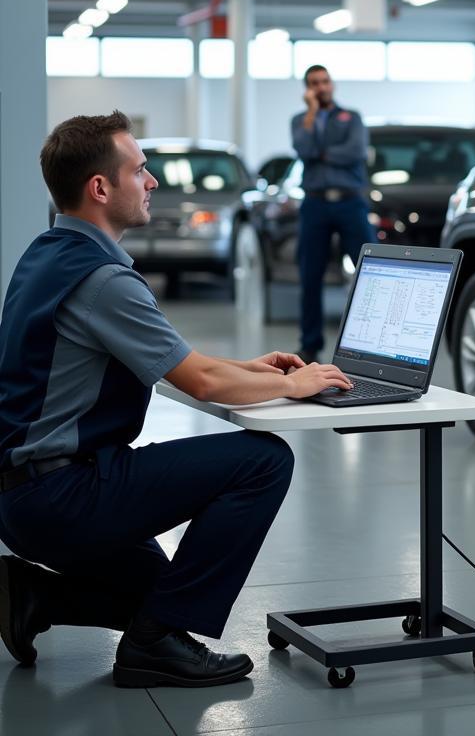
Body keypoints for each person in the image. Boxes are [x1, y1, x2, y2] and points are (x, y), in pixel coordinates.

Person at [0, 112, 352, 688]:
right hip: (61, 495)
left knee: (162, 592)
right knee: (265, 460)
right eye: (140, 170)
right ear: (100, 188)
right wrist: (292, 385)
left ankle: (35, 597)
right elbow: (203, 383)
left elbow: (172, 361)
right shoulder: (104, 281)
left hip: (23, 493)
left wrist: (251, 367)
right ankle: (155, 649)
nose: (152, 182)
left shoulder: (49, 254)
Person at [292, 64, 375, 364]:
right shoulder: (301, 120)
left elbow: (354, 152)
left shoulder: (351, 118)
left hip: (350, 203)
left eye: (324, 81)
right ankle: (310, 345)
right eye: (314, 83)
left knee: (368, 272)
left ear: (332, 84)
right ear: (308, 89)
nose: (321, 87)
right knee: (310, 275)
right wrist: (312, 115)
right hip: (314, 204)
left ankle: (371, 341)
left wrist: (321, 152)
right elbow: (303, 148)